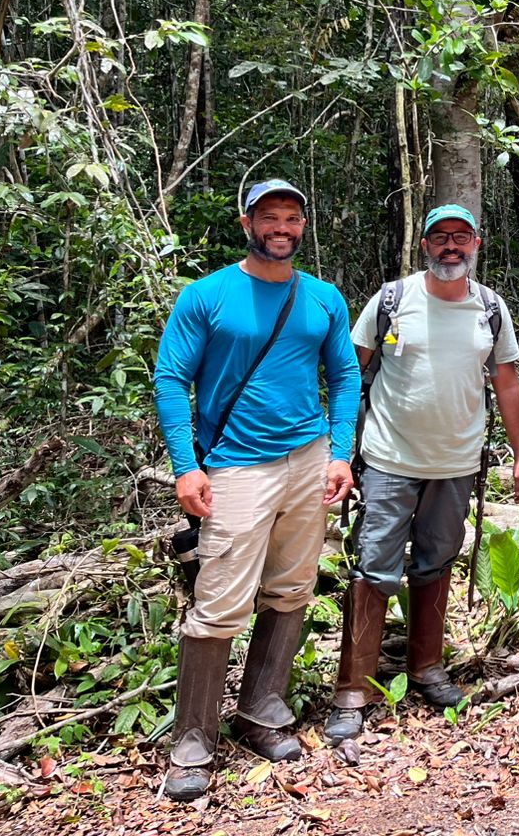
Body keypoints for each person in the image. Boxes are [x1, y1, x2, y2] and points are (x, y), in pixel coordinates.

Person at [154, 179, 359, 802]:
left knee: (293, 588)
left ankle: (261, 709)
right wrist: (186, 466)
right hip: (236, 467)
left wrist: (340, 451)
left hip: (308, 461)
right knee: (218, 601)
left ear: (302, 226)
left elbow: (345, 373)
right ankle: (193, 739)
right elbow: (170, 379)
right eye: (269, 216)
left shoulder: (322, 297)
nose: (282, 227)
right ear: (247, 223)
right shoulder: (208, 295)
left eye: (292, 218)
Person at [323, 204, 519, 743]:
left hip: (457, 462)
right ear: (424, 246)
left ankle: (427, 668)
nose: (450, 247)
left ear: (476, 245)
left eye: (461, 238)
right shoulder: (392, 301)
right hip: (390, 457)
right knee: (374, 564)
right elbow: (352, 370)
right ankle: (354, 688)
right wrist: (340, 451)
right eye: (440, 238)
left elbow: (507, 384)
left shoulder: (489, 309)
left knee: (437, 559)